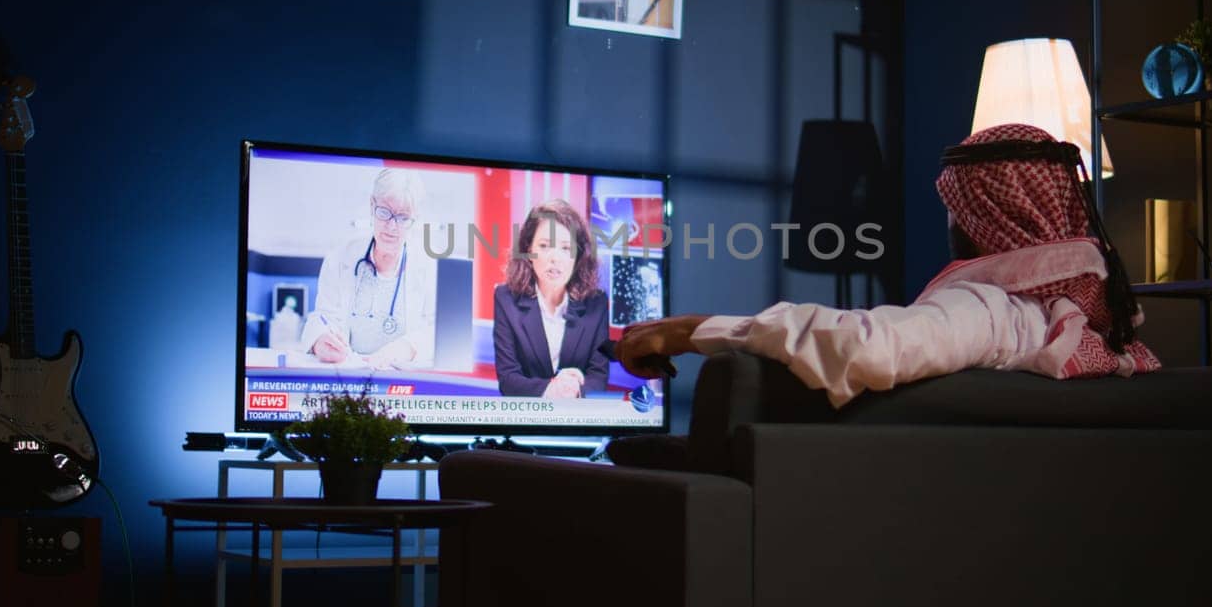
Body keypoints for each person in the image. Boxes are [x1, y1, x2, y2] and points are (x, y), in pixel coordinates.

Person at [614, 123, 1161, 405]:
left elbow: (866, 347)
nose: (950, 224)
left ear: (989, 215)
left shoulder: (995, 313)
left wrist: (689, 330)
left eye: (956, 209)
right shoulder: (1086, 328)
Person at [300, 167, 437, 369]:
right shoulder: (340, 258)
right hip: (349, 380)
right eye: (384, 212)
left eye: (403, 217)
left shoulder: (428, 267)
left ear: (414, 218)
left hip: (404, 383)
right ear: (372, 205)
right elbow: (321, 318)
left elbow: (437, 332)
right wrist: (320, 341)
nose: (392, 226)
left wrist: (406, 348)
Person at [492, 199, 611, 398]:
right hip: (526, 421)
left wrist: (575, 390)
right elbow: (508, 380)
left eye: (565, 248)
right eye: (545, 246)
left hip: (576, 421)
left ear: (578, 255)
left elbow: (598, 376)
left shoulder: (596, 303)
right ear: (529, 250)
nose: (555, 258)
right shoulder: (506, 299)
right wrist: (552, 389)